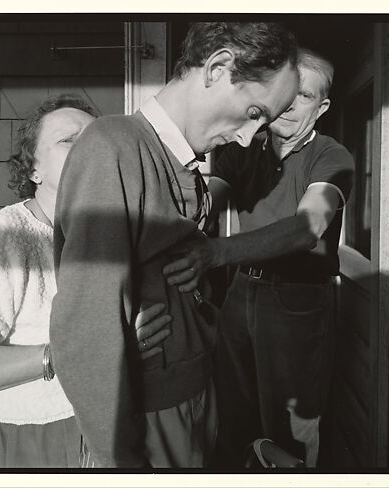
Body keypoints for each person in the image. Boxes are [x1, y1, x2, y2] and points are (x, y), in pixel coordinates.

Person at [49, 22, 299, 468]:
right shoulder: (115, 148)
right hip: (151, 415)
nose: (246, 137)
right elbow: (85, 329)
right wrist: (120, 462)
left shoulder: (180, 160)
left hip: (192, 397)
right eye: (255, 112)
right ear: (219, 67)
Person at [0, 95, 170, 468]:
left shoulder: (109, 231)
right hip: (18, 444)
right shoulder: (6, 237)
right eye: (68, 140)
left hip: (95, 432)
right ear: (34, 169)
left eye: (95, 139)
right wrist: (80, 350)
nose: (87, 149)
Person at [163, 48, 355, 468]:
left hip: (299, 301)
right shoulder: (245, 146)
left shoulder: (332, 157)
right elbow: (208, 200)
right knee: (233, 410)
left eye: (304, 97)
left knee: (290, 427)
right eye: (285, 95)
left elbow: (309, 227)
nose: (288, 107)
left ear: (321, 107)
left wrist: (214, 251)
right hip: (241, 289)